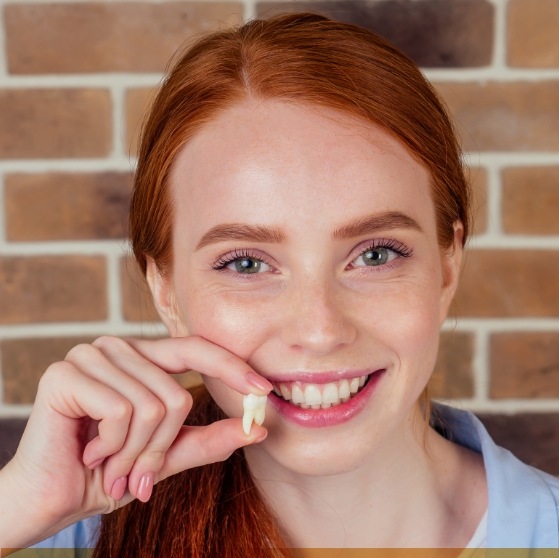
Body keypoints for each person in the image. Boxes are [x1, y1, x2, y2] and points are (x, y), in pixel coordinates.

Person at [1, 12, 558, 556]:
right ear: (164, 289)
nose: (319, 330)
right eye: (245, 264)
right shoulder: (63, 533)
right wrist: (17, 508)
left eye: (376, 253)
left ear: (448, 267)